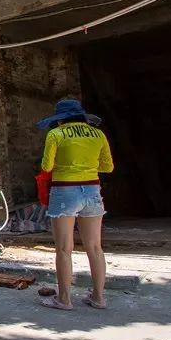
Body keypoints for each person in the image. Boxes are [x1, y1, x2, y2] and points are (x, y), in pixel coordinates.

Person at [38, 99, 114, 311]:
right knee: (95, 247)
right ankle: (98, 298)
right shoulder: (98, 134)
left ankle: (64, 299)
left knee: (64, 249)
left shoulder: (56, 134)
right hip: (92, 190)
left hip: (64, 191)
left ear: (60, 119)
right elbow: (108, 167)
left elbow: (47, 166)